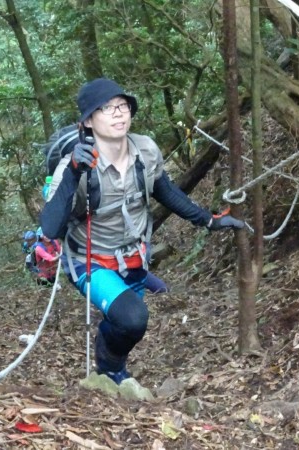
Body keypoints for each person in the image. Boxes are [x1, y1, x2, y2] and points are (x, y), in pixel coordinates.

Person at [40, 78, 244, 384]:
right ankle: (108, 368)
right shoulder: (74, 167)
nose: (118, 113)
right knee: (132, 319)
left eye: (123, 106)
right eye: (106, 108)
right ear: (87, 122)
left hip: (135, 257)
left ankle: (113, 366)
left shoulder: (145, 150)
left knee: (129, 324)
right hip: (89, 261)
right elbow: (51, 227)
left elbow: (166, 191)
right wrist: (72, 174)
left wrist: (209, 220)